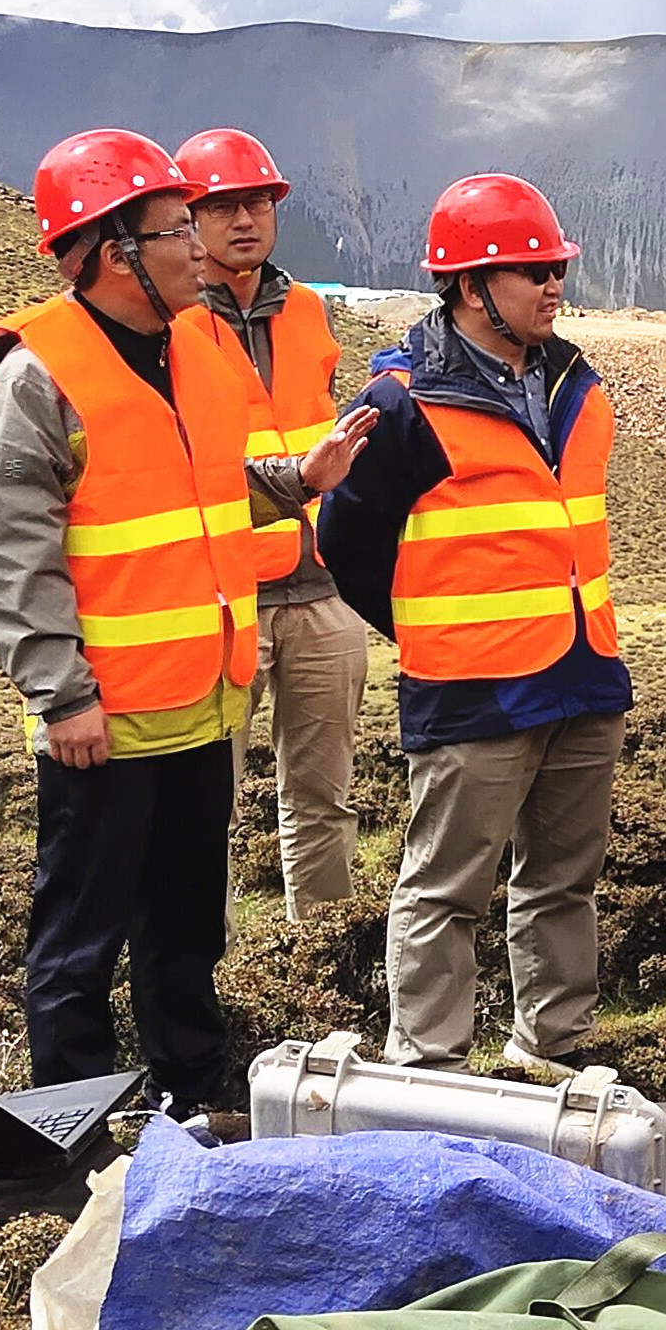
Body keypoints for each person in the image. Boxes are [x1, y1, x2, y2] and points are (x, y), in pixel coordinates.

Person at [0, 129, 373, 1115]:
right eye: (177, 230)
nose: (200, 247)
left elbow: (199, 495)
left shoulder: (191, 347)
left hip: (202, 701)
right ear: (116, 253)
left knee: (188, 927)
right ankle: (73, 1123)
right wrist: (62, 696)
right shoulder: (39, 379)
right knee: (81, 939)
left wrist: (295, 481)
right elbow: (9, 558)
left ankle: (193, 1097)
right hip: (104, 720)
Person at [315, 174, 632, 1077]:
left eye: (556, 267)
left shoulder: (577, 384)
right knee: (445, 889)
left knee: (564, 882)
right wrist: (433, 630)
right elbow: (346, 545)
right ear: (468, 284)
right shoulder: (401, 403)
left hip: (584, 675)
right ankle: (427, 1072)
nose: (553, 285)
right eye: (532, 270)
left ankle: (555, 1057)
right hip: (471, 688)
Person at [176, 127, 370, 921]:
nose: (244, 219)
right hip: (222, 596)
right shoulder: (172, 324)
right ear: (188, 220)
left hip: (320, 589)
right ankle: (203, 971)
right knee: (201, 810)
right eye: (222, 206)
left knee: (326, 799)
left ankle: (320, 958)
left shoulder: (310, 311)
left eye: (257, 202)